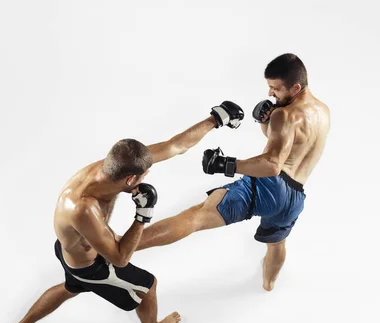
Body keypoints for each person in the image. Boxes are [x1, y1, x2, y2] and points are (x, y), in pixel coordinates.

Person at [3, 101, 245, 323]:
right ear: (131, 179)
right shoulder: (84, 208)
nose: (146, 177)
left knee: (70, 288)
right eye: (143, 176)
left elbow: (174, 146)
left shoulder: (108, 168)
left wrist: (214, 120)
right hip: (92, 266)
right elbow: (119, 259)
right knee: (148, 287)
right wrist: (143, 215)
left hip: (72, 250)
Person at [136, 53, 330, 292]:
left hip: (270, 186)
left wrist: (227, 164)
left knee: (197, 215)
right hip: (294, 199)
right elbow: (288, 147)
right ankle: (268, 285)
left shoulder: (285, 115)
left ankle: (122, 246)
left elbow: (272, 164)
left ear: (296, 87)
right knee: (277, 244)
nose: (270, 94)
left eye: (275, 89)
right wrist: (266, 125)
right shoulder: (323, 111)